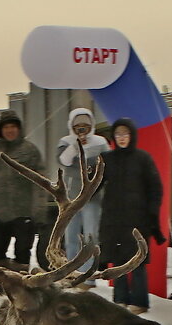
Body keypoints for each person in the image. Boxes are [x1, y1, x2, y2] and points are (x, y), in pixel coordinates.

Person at [98, 118, 164, 314]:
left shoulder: (143, 158)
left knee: (137, 261)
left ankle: (139, 301)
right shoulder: (107, 159)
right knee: (118, 260)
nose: (122, 138)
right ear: (113, 137)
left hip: (138, 220)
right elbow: (95, 183)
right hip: (114, 220)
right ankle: (120, 300)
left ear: (132, 135)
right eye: (118, 134)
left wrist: (152, 211)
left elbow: (155, 187)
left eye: (125, 134)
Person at [0, 111, 46, 270]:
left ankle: (21, 289)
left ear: (19, 128)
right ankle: (2, 287)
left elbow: (40, 183)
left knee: (22, 252)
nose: (10, 130)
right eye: (6, 127)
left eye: (13, 126)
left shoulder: (30, 150)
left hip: (24, 211)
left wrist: (39, 211)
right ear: (1, 129)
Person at [56, 108, 109, 282]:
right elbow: (63, 161)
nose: (81, 129)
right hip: (72, 198)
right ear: (72, 126)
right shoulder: (65, 142)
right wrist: (76, 145)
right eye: (78, 126)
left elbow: (109, 165)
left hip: (92, 197)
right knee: (71, 237)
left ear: (91, 125)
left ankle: (88, 277)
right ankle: (72, 274)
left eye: (85, 126)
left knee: (90, 237)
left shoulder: (100, 142)